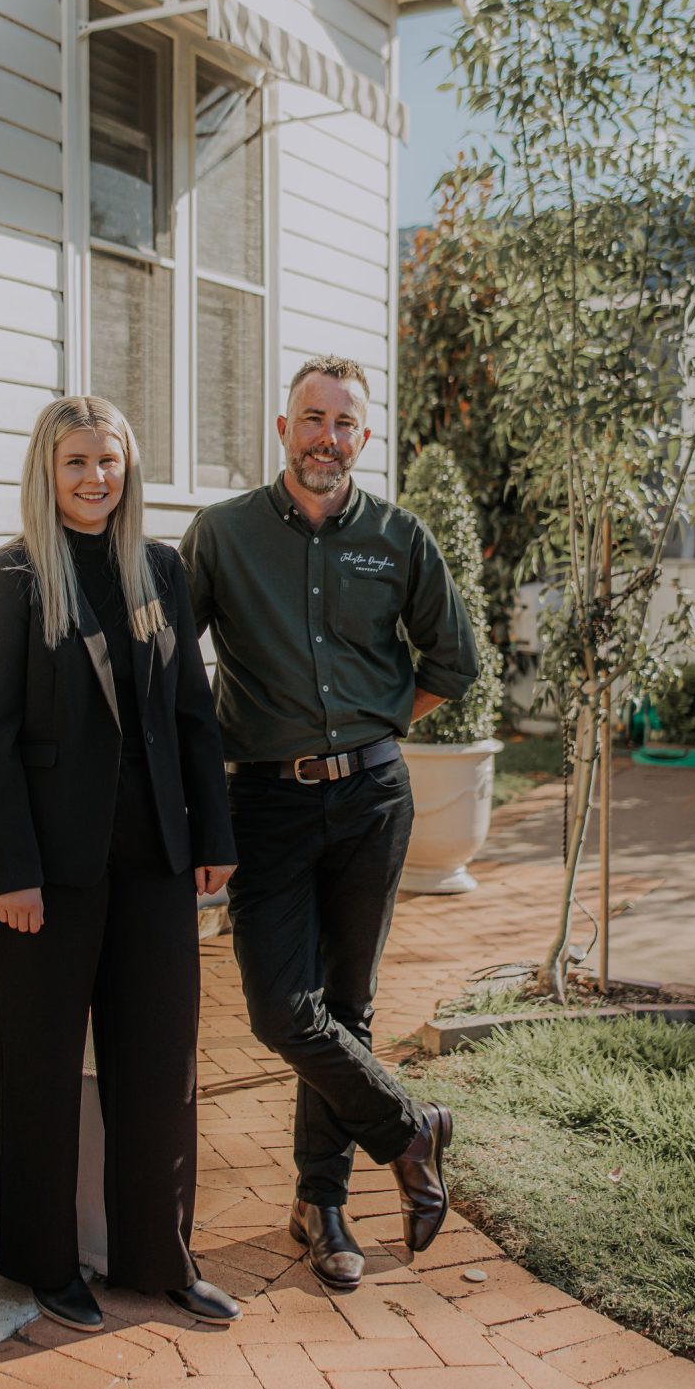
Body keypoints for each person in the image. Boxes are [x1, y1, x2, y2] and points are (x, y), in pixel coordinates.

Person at [181, 355, 480, 1293]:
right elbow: (170, 670)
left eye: (344, 424)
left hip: (371, 801)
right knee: (282, 1008)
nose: (326, 438)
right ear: (283, 428)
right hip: (263, 801)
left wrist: (376, 727)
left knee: (346, 1005)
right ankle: (409, 1127)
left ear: (364, 437)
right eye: (312, 418)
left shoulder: (398, 538)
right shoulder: (222, 536)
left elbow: (452, 661)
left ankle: (322, 1205)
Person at [0, 395, 240, 1332]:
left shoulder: (159, 568)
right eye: (77, 462)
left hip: (155, 856)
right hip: (48, 868)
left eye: (109, 462)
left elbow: (193, 717)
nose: (95, 479)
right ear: (48, 469)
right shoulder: (9, 577)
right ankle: (44, 1261)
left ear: (129, 470)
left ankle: (160, 1257)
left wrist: (213, 838)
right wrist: (13, 872)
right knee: (38, 1064)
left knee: (160, 1062)